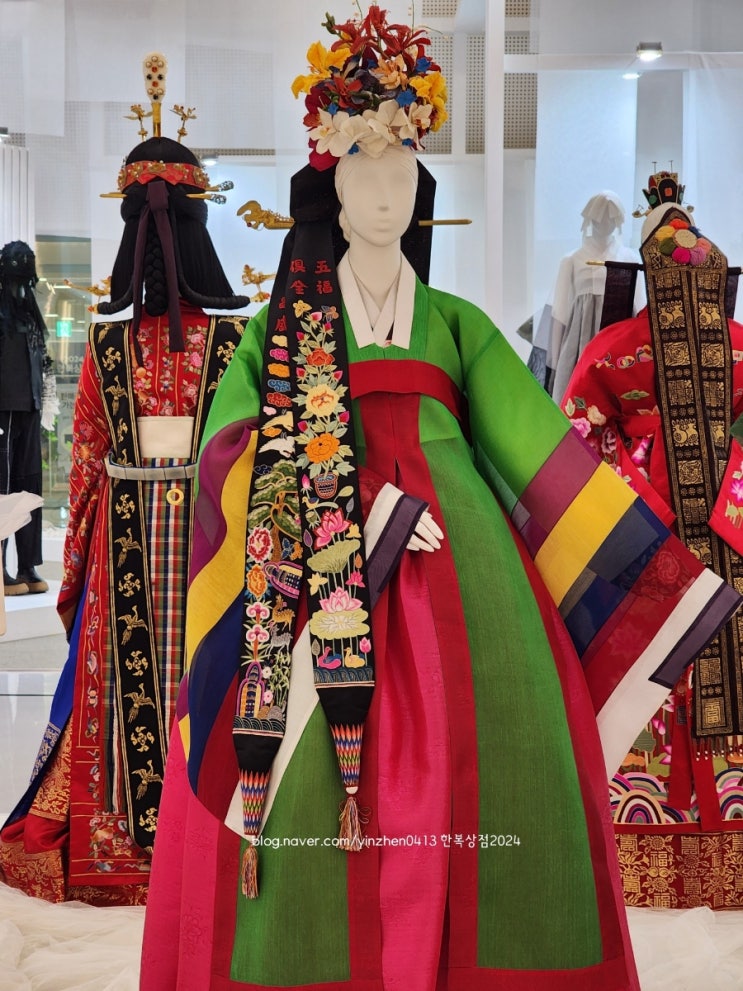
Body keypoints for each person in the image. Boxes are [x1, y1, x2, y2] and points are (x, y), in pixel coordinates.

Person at [140, 12, 739, 989]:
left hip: (473, 582)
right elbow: (229, 453)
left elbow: (541, 450)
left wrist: (659, 570)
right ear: (331, 183)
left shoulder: (455, 325)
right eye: (364, 168)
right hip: (315, 574)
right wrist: (351, 506)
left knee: (512, 751)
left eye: (403, 170)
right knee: (302, 791)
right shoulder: (278, 333)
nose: (385, 192)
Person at [0, 72, 250, 905]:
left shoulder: (107, 347)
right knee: (213, 666)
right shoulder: (237, 341)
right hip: (214, 534)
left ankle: (123, 839)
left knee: (122, 678)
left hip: (124, 535)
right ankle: (216, 836)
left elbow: (83, 465)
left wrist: (74, 565)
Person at [562, 171, 743, 910]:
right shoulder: (617, 351)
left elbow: (579, 434)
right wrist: (639, 508)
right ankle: (646, 837)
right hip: (651, 539)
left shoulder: (635, 348)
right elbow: (578, 435)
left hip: (705, 534)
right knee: (655, 670)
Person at [530, 191, 641, 400]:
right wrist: (556, 363)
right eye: (600, 218)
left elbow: (639, 309)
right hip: (580, 337)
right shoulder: (571, 260)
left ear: (617, 222)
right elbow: (560, 313)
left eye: (610, 218)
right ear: (591, 220)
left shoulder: (629, 258)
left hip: (618, 336)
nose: (604, 224)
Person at [0, 240, 55, 596]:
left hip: (30, 407)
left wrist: (46, 401)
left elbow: (43, 361)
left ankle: (27, 564)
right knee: (2, 487)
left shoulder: (29, 313)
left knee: (29, 486)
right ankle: (1, 567)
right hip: (3, 409)